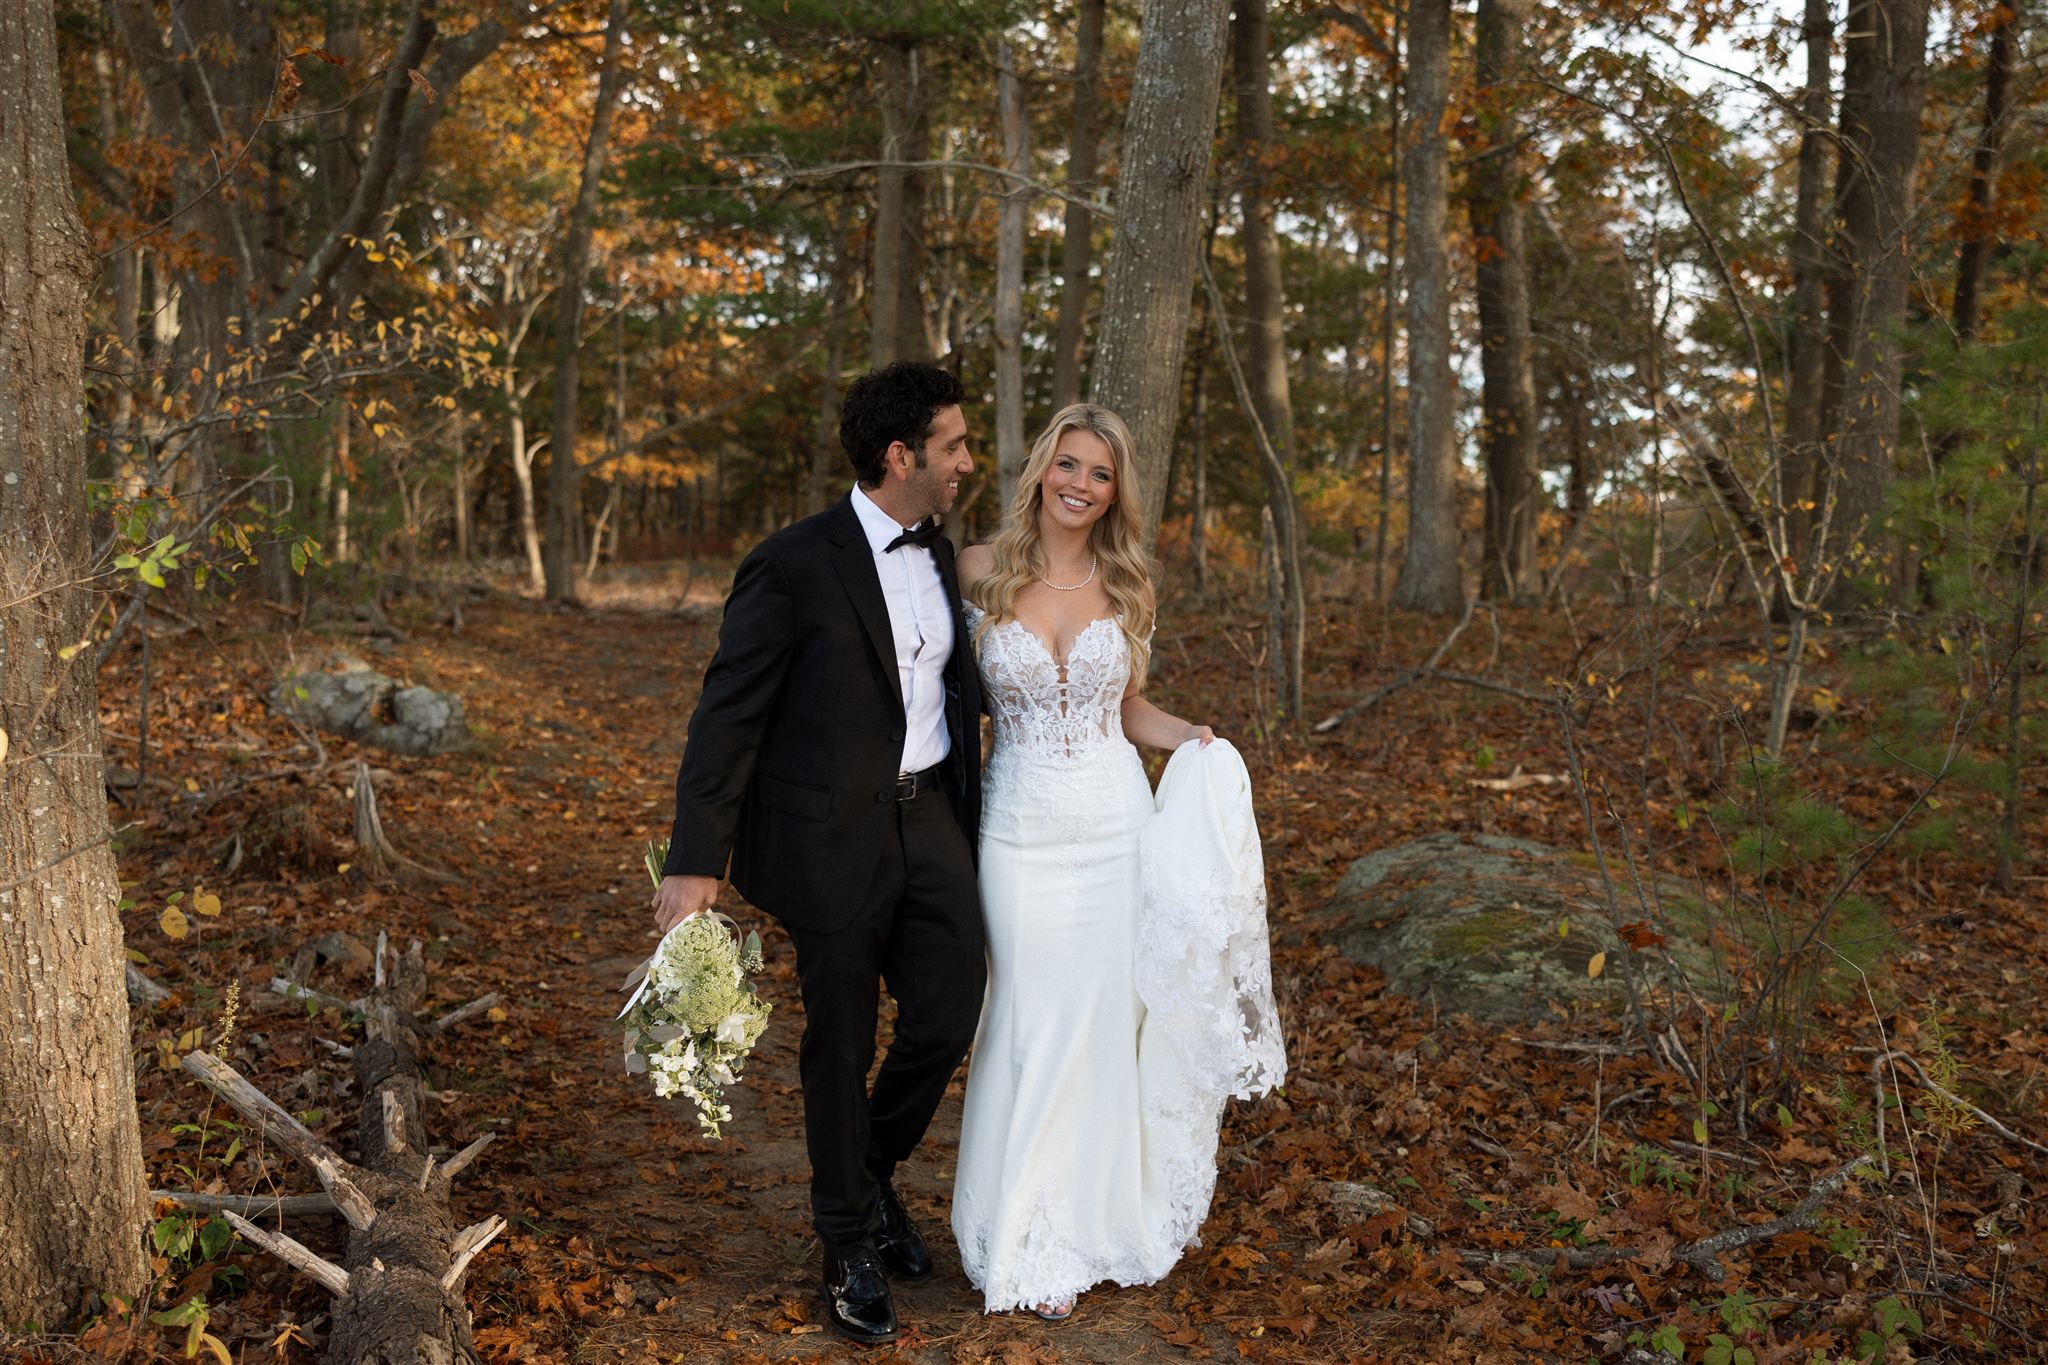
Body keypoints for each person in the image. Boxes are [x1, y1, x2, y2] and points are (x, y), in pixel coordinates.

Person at [651, 361, 984, 1347]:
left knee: (944, 1013)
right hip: (827, 836)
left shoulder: (938, 554)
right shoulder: (791, 563)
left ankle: (868, 1173)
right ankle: (844, 1237)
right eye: (954, 445)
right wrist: (692, 860)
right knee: (839, 1043)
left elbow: (948, 695)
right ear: (901, 456)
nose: (967, 460)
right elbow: (727, 717)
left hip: (932, 824)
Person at [951, 403, 1279, 1321]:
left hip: (1112, 828)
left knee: (1098, 1020)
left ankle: (1082, 1227)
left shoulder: (1126, 583)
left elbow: (1128, 708)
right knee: (1026, 1009)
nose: (1080, 485)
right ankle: (1018, 1224)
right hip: (1015, 831)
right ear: (1041, 470)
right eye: (1068, 464)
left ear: (1113, 491)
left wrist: (1192, 738)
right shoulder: (978, 570)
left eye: (1098, 473)